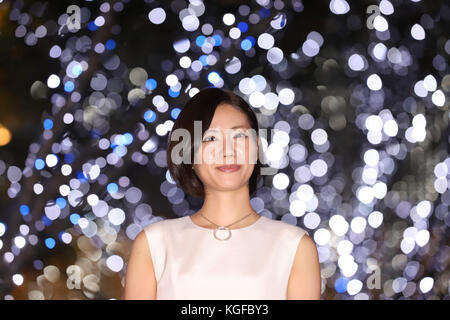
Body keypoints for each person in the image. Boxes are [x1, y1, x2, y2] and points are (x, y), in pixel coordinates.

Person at [123, 87, 321, 299]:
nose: (227, 151)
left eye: (239, 136)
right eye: (210, 139)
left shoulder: (294, 246)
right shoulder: (155, 244)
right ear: (189, 152)